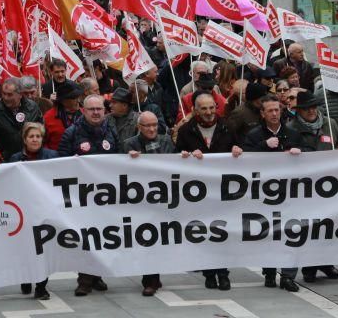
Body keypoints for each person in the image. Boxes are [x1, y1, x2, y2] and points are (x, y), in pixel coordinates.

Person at [175, 91, 242, 291]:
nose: (209, 112)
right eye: (203, 108)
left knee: (221, 233)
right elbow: (176, 155)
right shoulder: (187, 130)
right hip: (198, 193)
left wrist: (238, 150)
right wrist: (185, 155)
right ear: (195, 110)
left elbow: (240, 147)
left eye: (212, 107)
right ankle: (209, 273)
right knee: (204, 233)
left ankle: (223, 273)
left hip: (223, 191)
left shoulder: (227, 127)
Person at [57, 94, 117, 296]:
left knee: (103, 237)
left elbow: (119, 157)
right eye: (91, 109)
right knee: (85, 238)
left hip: (106, 196)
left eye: (99, 108)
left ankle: (96, 275)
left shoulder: (111, 130)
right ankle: (84, 280)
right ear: (83, 110)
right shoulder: (71, 133)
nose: (96, 112)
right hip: (81, 197)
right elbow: (60, 164)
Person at [242, 95, 302, 292]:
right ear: (262, 113)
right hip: (264, 196)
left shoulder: (293, 134)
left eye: (277, 110)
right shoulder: (253, 135)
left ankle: (288, 276)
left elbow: (310, 157)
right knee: (268, 233)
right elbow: (245, 159)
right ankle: (269, 270)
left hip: (290, 194)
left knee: (292, 232)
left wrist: (299, 153)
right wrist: (263, 146)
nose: (275, 114)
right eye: (270, 111)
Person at [288, 92, 338, 284]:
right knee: (308, 228)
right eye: (307, 108)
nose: (312, 111)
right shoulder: (291, 128)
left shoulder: (330, 123)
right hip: (305, 188)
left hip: (329, 185)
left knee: (328, 226)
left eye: (314, 106)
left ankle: (326, 262)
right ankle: (309, 266)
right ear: (299, 110)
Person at [119, 111, 175, 296]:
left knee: (160, 239)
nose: (151, 129)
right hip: (141, 200)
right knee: (147, 239)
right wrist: (129, 160)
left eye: (154, 125)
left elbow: (175, 164)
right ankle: (149, 279)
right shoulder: (129, 144)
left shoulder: (166, 141)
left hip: (164, 199)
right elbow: (117, 170)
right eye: (147, 126)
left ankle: (154, 277)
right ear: (139, 127)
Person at [10, 123, 58, 300]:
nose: (35, 139)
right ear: (24, 139)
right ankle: (26, 277)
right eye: (31, 136)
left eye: (38, 136)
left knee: (42, 248)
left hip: (44, 209)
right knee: (26, 247)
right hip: (23, 209)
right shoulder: (15, 159)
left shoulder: (52, 156)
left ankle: (41, 286)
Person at [0, 77, 43, 160]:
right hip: (6, 161)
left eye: (10, 94)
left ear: (20, 94)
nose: (6, 98)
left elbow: (42, 131)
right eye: (4, 93)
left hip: (31, 158)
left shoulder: (33, 107)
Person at [42, 80, 83, 151]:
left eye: (78, 97)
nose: (78, 101)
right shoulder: (48, 117)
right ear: (63, 100)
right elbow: (43, 143)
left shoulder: (85, 113)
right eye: (74, 98)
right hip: (58, 159)